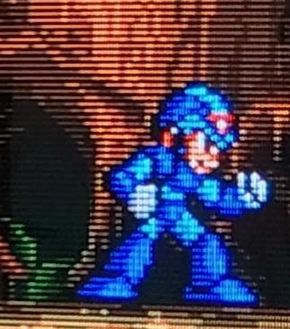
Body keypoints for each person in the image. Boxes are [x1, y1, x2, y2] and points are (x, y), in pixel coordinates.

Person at [76, 83, 270, 307]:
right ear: (174, 134)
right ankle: (117, 280)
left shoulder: (197, 178)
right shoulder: (156, 159)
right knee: (139, 245)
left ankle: (211, 285)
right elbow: (122, 177)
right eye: (207, 144)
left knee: (207, 243)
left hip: (181, 218)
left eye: (219, 150)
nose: (214, 158)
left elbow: (219, 198)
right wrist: (135, 193)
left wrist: (243, 199)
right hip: (156, 214)